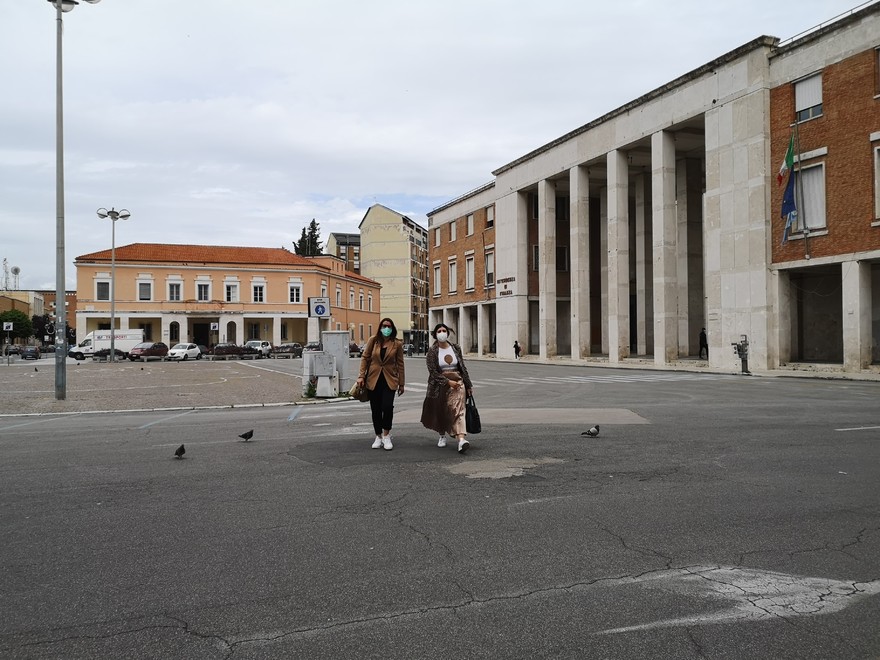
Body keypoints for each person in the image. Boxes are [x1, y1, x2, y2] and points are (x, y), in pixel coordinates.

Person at [420, 323, 474, 454]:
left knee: (459, 410)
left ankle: (461, 440)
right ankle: (442, 434)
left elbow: (462, 367)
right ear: (435, 334)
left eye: (444, 330)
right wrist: (447, 382)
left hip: (458, 382)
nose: (442, 333)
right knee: (442, 410)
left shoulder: (455, 348)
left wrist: (468, 384)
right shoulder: (432, 351)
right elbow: (433, 372)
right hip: (440, 385)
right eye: (439, 331)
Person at [356, 318, 405, 450]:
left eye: (388, 326)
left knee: (387, 407)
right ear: (380, 327)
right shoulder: (374, 340)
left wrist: (402, 383)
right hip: (373, 379)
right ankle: (378, 436)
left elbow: (400, 364)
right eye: (384, 326)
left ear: (392, 328)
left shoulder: (397, 344)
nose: (386, 328)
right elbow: (365, 358)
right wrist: (361, 376)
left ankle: (386, 435)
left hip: (390, 380)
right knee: (375, 409)